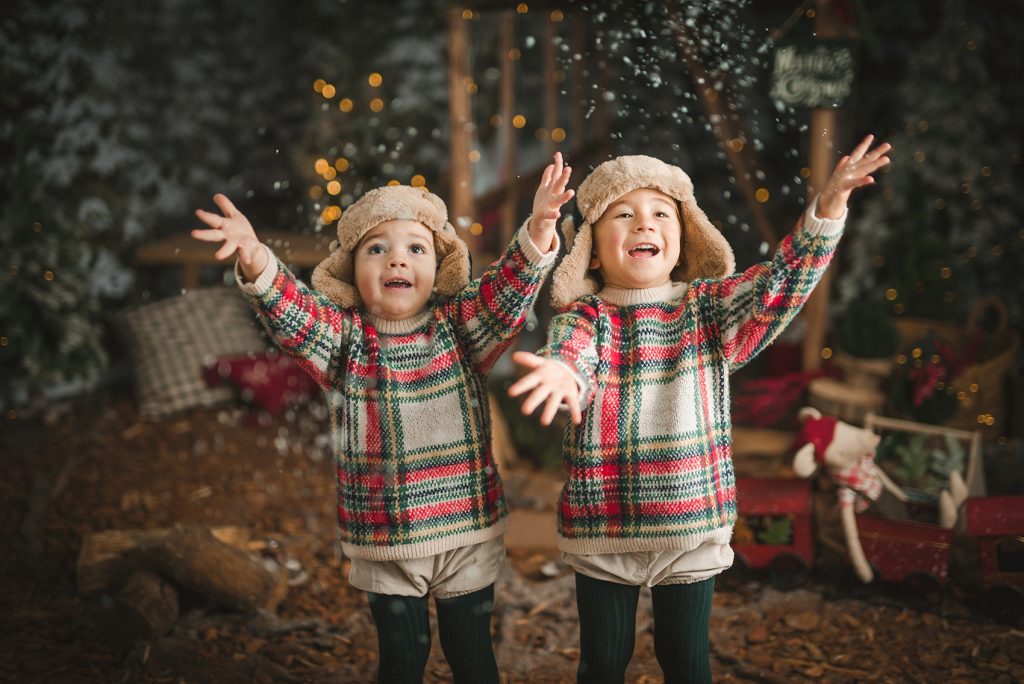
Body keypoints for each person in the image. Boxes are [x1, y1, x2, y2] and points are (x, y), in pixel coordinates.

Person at [508, 136, 891, 683]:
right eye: (624, 214)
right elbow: (575, 356)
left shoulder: (706, 309)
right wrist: (561, 371)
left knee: (686, 662)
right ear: (592, 248)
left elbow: (780, 286)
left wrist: (827, 210)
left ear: (683, 239)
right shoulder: (587, 317)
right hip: (605, 527)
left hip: (690, 527)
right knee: (602, 663)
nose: (645, 224)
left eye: (661, 213)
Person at [192, 153, 574, 683]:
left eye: (416, 248)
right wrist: (257, 258)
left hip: (467, 530)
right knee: (401, 660)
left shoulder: (460, 329)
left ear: (438, 269)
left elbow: (504, 297)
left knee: (473, 657)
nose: (398, 260)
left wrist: (537, 232)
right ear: (352, 271)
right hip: (386, 538)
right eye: (378, 249)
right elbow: (293, 314)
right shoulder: (345, 342)